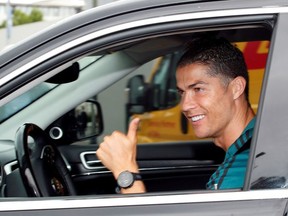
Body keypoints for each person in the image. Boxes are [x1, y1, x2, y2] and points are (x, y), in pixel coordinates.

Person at [96, 37, 256, 193]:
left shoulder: (242, 169)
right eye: (181, 92)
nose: (185, 105)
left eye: (198, 89)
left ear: (236, 88)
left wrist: (126, 173)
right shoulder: (253, 147)